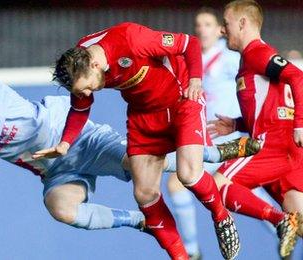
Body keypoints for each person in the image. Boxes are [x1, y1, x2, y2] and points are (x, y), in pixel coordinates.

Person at [0, 61, 252, 248]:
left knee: (140, 166)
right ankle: (139, 222)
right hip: (55, 168)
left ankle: (218, 151)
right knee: (62, 209)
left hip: (77, 139)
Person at [43, 22, 242, 259]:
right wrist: (65, 143)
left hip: (181, 99)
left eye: (87, 88)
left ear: (95, 64)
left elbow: (189, 43)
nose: (87, 94)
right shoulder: (80, 61)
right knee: (144, 195)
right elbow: (79, 109)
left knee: (188, 175)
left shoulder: (132, 39)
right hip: (143, 115)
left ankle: (221, 217)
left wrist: (196, 81)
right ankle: (181, 257)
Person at [164, 7, 275, 259]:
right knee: (180, 184)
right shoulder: (192, 62)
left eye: (207, 24)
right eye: (198, 25)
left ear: (219, 30)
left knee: (220, 186)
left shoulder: (230, 58)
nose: (201, 30)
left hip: (230, 139)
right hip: (205, 138)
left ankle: (192, 251)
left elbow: (263, 68)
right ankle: (192, 251)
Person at [209, 0, 303, 258]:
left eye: (226, 24)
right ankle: (287, 220)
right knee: (302, 219)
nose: (221, 30)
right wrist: (237, 124)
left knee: (216, 185)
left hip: (273, 144)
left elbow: (297, 76)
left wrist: (300, 125)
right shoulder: (251, 60)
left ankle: (279, 220)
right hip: (287, 150)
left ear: (243, 23)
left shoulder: (255, 53)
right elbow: (272, 106)